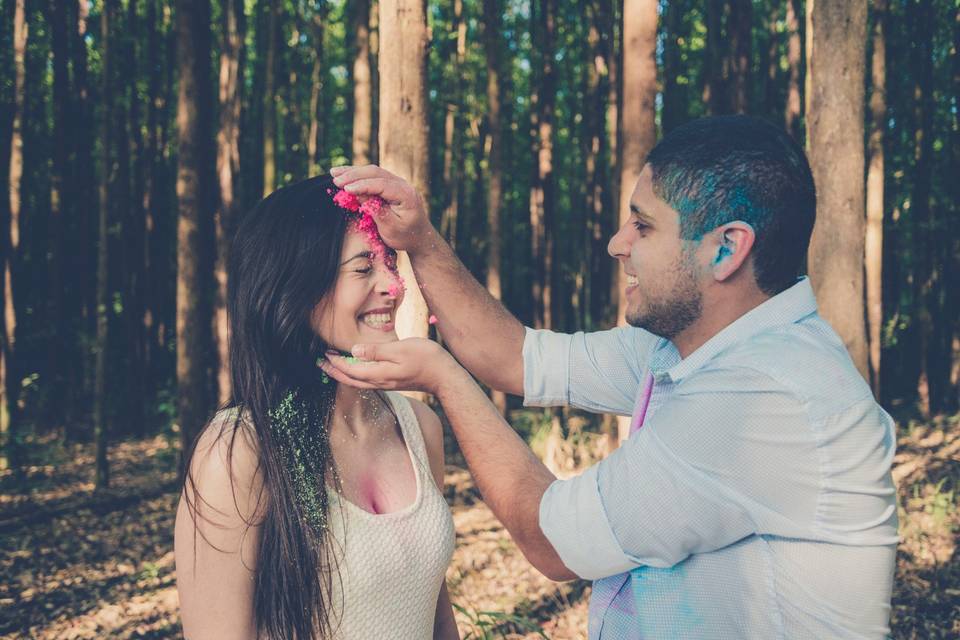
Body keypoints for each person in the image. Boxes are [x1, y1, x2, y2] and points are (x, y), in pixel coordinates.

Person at [321, 115, 899, 639]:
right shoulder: (691, 344)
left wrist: (446, 379)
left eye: (643, 226)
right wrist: (419, 240)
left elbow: (551, 542)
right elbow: (516, 357)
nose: (617, 243)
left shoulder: (765, 396)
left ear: (727, 249)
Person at [174, 175, 459, 640]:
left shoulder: (419, 427)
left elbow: (434, 613)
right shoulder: (238, 450)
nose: (393, 285)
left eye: (389, 262)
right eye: (363, 268)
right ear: (297, 289)